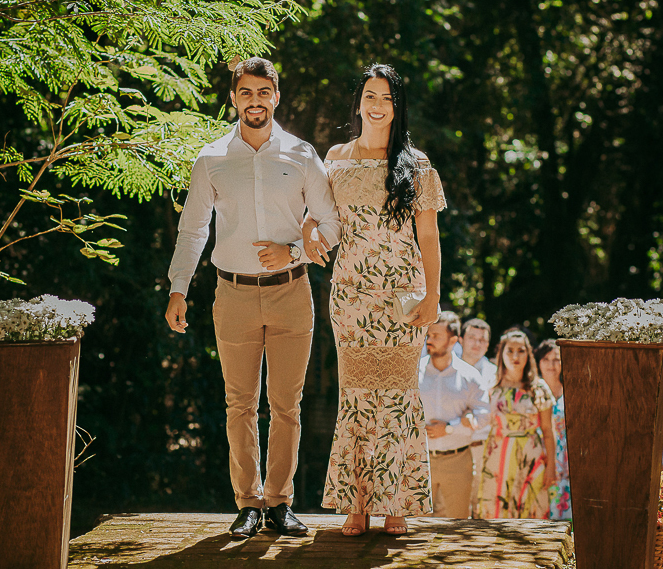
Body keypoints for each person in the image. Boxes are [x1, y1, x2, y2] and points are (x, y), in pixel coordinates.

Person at [164, 57, 341, 539]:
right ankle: (247, 504)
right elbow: (193, 228)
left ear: (276, 97)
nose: (255, 100)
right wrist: (179, 287)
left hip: (291, 293)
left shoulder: (303, 155)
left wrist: (294, 248)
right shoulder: (212, 158)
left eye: (264, 92)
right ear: (234, 97)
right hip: (234, 295)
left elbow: (331, 223)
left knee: (287, 405)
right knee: (239, 405)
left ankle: (281, 503)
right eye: (246, 92)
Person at [303, 63, 446, 536]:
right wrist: (307, 228)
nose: (377, 105)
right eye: (370, 95)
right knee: (356, 396)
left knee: (400, 395)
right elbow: (322, 217)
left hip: (404, 296)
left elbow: (429, 234)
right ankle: (356, 505)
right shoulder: (336, 158)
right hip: (350, 296)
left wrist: (434, 295)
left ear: (397, 106)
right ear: (359, 101)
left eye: (386, 97)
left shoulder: (417, 163)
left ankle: (397, 504)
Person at [476, 330, 556, 519]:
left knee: (532, 510)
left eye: (521, 351)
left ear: (528, 354)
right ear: (501, 354)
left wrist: (551, 466)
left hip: (531, 456)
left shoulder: (539, 388)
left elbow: (547, 430)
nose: (515, 356)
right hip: (497, 455)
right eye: (510, 350)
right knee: (496, 512)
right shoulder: (490, 387)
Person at [419, 312, 490, 518]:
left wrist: (450, 428)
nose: (429, 340)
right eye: (429, 335)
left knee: (456, 526)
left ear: (453, 341)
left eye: (436, 336)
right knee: (416, 528)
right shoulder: (415, 372)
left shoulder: (470, 376)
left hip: (458, 461)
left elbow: (484, 417)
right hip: (420, 461)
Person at [458, 318, 496, 518]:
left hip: (483, 449)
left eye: (482, 340)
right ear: (461, 339)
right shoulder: (448, 367)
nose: (477, 343)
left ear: (488, 345)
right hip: (453, 448)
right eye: (472, 337)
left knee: (481, 509)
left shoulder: (495, 374)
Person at [535, 339, 571, 520]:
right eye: (546, 359)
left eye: (556, 359)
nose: (551, 364)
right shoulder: (533, 392)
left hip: (568, 462)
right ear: (538, 362)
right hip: (541, 459)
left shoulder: (572, 392)